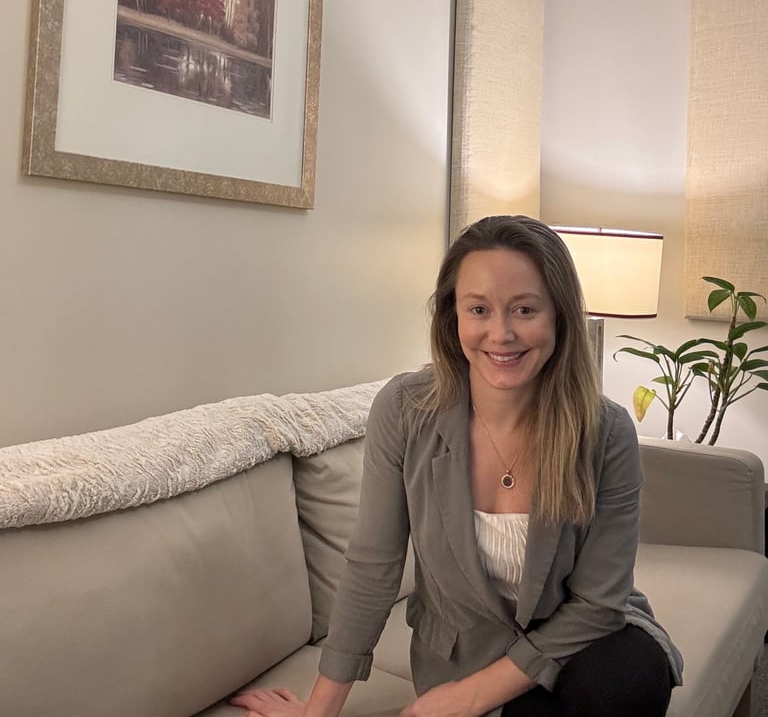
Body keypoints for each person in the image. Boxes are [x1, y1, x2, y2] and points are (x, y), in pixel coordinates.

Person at [232, 215, 683, 717]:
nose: (502, 333)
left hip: (584, 643)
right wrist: (319, 710)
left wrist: (472, 696)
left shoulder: (605, 431)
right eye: (479, 309)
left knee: (627, 684)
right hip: (464, 651)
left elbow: (599, 604)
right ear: (453, 317)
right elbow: (373, 568)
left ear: (559, 316)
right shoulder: (405, 410)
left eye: (525, 309)